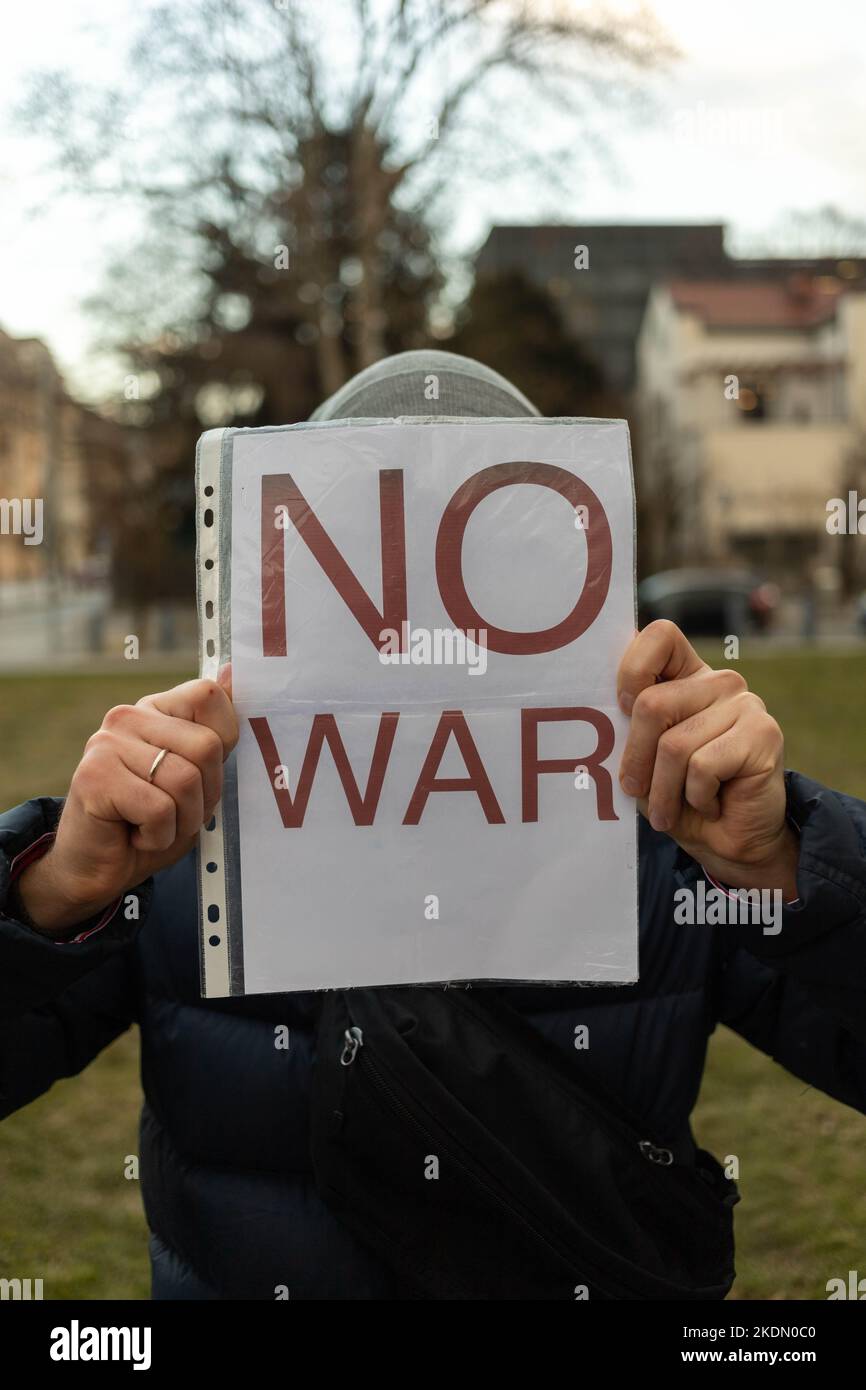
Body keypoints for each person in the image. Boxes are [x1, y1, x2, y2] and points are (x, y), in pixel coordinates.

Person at [1, 350, 864, 1300]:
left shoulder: (668, 836)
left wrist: (786, 859)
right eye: (369, 560)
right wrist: (50, 891)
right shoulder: (188, 841)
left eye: (491, 557)